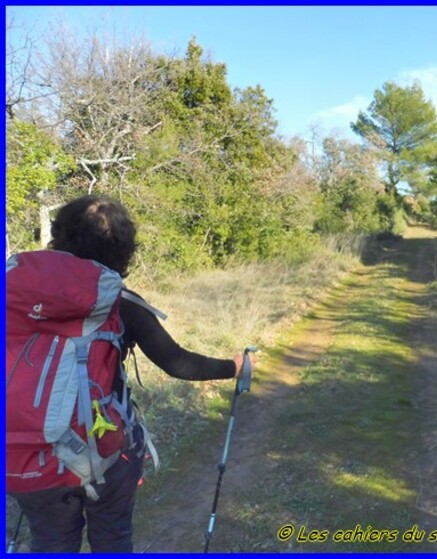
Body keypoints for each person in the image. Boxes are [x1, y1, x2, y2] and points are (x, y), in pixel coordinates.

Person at [7, 194, 256, 552]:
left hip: (23, 458)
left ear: (59, 236)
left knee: (50, 542)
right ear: (122, 248)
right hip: (103, 454)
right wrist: (233, 367)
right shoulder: (118, 303)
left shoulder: (12, 297)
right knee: (113, 539)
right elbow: (177, 363)